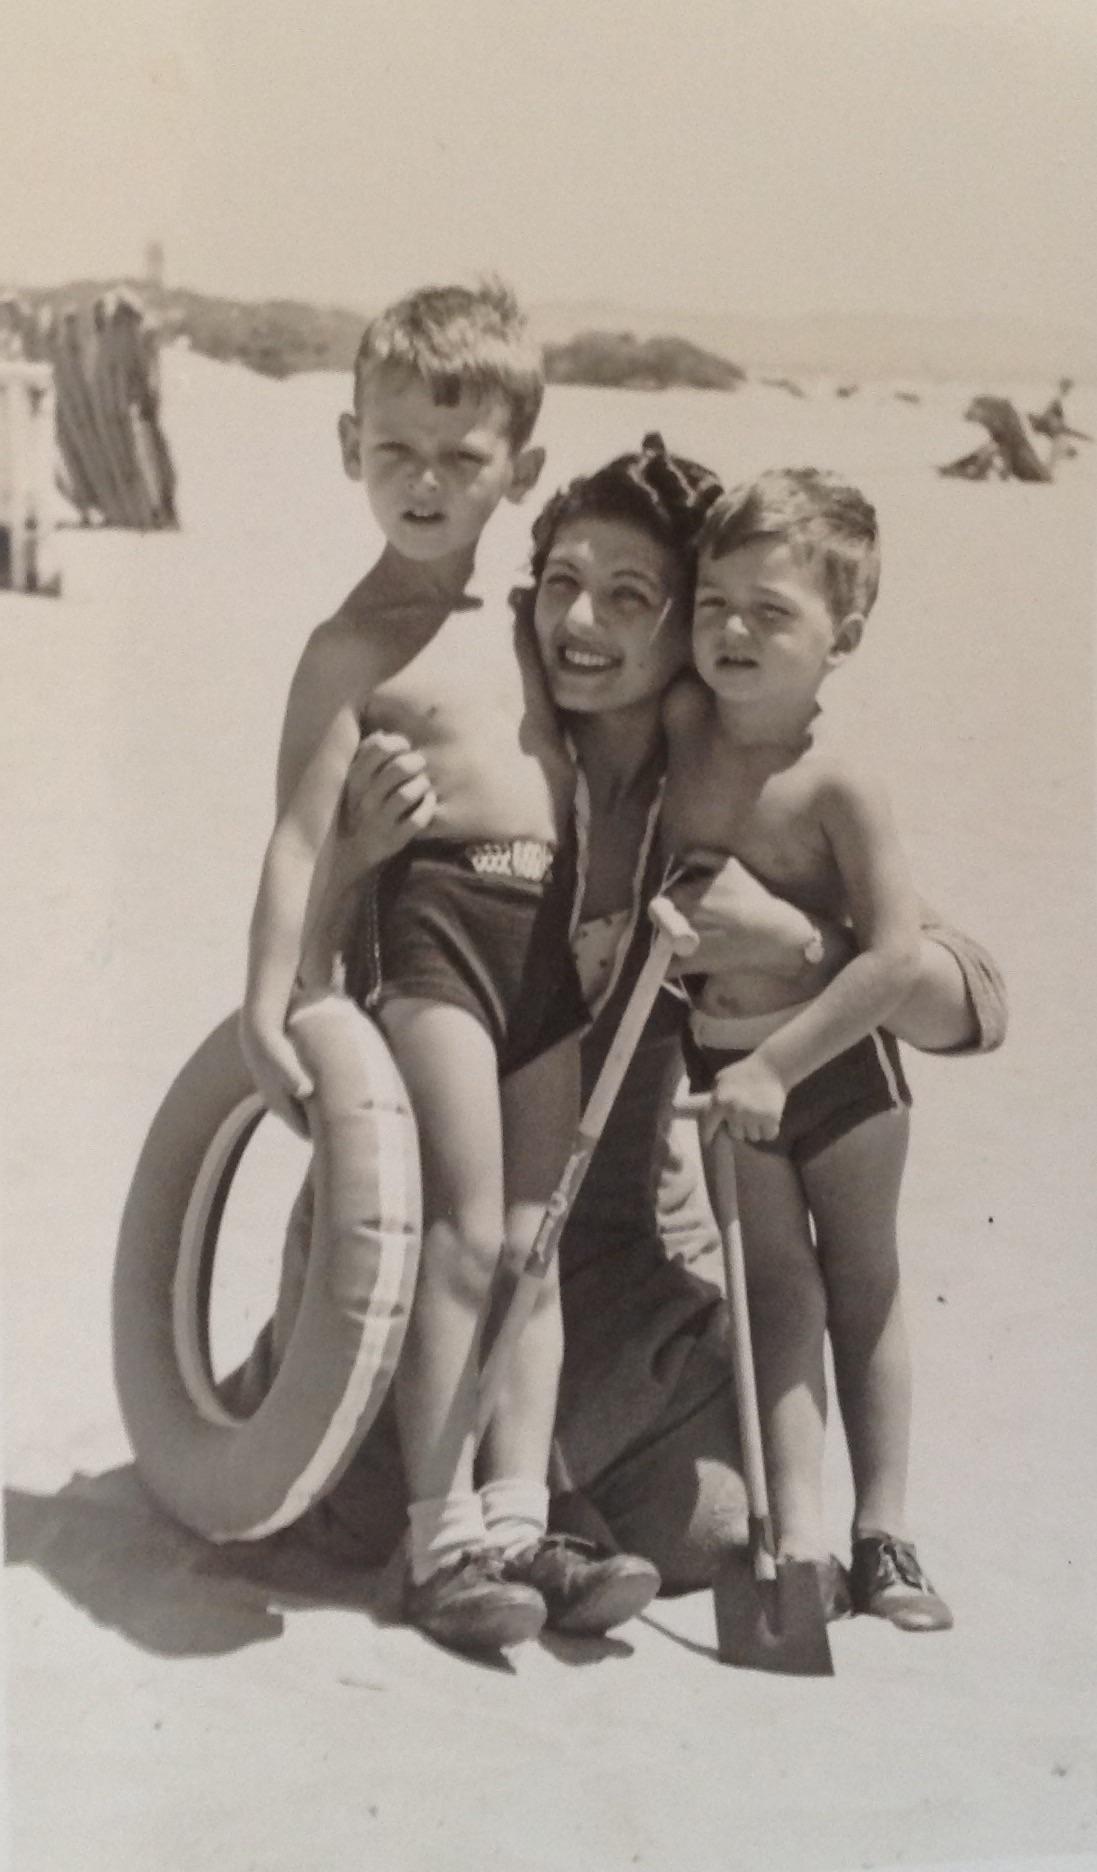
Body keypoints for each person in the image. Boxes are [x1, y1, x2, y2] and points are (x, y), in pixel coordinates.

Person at [252, 438, 1007, 1617]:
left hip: (616, 1277)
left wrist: (796, 946)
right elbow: (326, 990)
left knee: (710, 1516)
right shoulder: (485, 752)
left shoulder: (718, 788)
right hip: (433, 1255)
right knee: (382, 1478)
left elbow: (973, 1000)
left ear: (686, 644)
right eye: (561, 584)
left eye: (631, 597)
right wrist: (352, 858)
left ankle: (556, 1517)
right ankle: (522, 1520)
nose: (581, 626)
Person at [240, 280, 659, 1655]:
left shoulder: (535, 619)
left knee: (531, 1241)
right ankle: (437, 1541)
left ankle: (520, 1514)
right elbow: (302, 836)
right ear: (346, 444)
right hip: (434, 937)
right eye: (394, 451)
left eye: (460, 458)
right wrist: (277, 1000)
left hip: (544, 947)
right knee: (464, 1234)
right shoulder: (349, 648)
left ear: (518, 472)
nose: (423, 482)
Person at [663, 466, 955, 1629]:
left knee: (861, 1284)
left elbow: (892, 957)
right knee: (774, 1290)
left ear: (844, 635)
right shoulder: (682, 726)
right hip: (720, 1066)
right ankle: (798, 1542)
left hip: (829, 1067)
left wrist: (779, 1066)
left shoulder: (838, 780)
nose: (731, 631)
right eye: (712, 602)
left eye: (770, 611)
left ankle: (881, 1533)